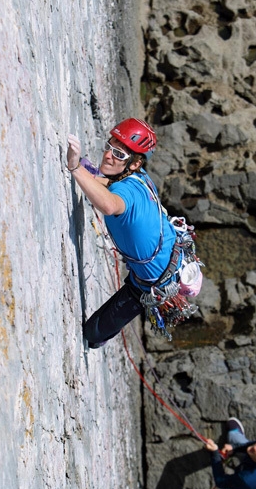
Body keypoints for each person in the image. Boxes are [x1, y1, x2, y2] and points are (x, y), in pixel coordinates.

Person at [67, 118, 185, 348]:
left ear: (134, 163)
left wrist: (74, 168)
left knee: (93, 334)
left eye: (119, 154)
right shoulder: (141, 178)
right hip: (172, 255)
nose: (108, 156)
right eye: (109, 147)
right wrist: (85, 171)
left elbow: (110, 205)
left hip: (152, 282)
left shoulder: (125, 191)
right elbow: (108, 184)